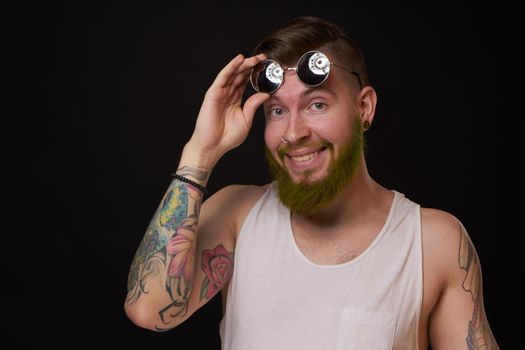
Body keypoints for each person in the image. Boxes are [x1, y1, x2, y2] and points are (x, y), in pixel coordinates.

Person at [124, 16, 499, 349]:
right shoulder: (238, 215)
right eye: (277, 111)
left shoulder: (433, 241)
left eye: (316, 104)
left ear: (363, 107)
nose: (293, 133)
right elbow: (150, 310)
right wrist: (200, 152)